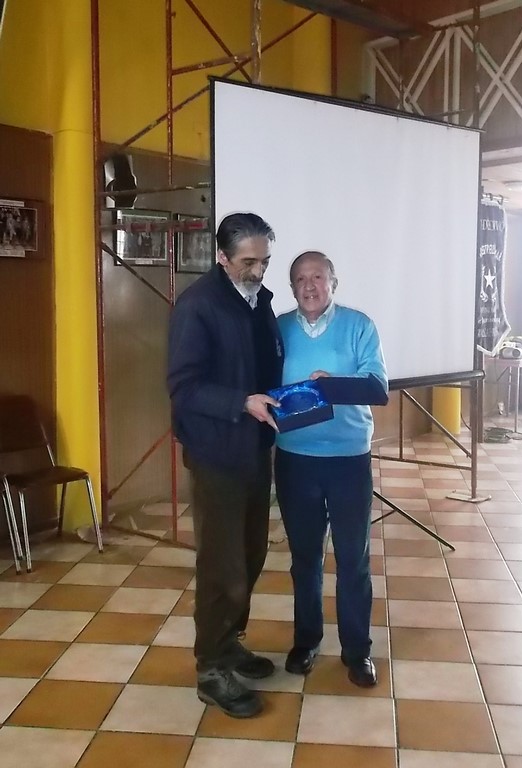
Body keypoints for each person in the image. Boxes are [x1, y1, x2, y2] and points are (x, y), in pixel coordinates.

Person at [167, 212, 283, 718]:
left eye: (265, 261)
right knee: (222, 566)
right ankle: (211, 669)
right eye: (248, 262)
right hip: (217, 454)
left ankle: (229, 642)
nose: (258, 271)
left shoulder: (258, 300)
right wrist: (242, 402)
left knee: (251, 554)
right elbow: (183, 387)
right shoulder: (198, 305)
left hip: (254, 449)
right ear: (221, 256)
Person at [274, 250, 388, 687]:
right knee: (304, 558)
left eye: (318, 277)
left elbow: (377, 388)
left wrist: (331, 387)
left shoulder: (359, 326)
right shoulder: (279, 328)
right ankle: (306, 642)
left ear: (333, 283)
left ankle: (357, 651)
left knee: (353, 558)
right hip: (295, 459)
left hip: (348, 460)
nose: (309, 286)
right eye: (300, 279)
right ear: (292, 287)